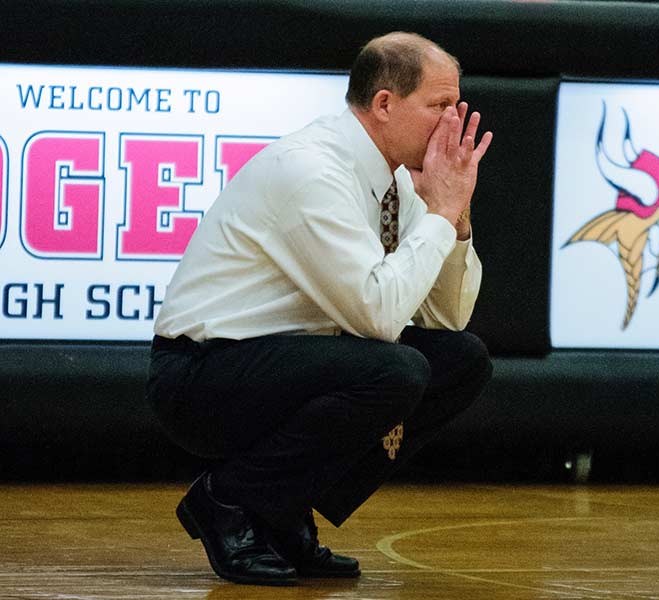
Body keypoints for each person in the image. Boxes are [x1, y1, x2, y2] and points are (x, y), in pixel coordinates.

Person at [145, 31, 494, 586]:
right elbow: (378, 316)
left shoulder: (397, 178)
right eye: (440, 107)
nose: (453, 124)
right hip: (201, 375)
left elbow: (444, 319)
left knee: (461, 359)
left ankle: (282, 506)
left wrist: (454, 218)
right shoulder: (311, 168)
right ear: (384, 104)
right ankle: (227, 501)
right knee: (395, 369)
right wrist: (440, 210)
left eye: (457, 106)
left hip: (294, 362)